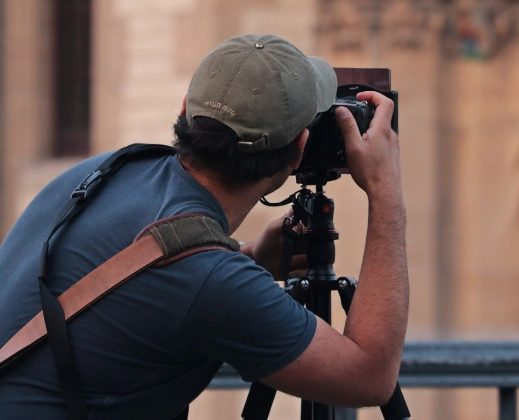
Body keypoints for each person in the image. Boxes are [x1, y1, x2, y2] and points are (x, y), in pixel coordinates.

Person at [0, 34, 408, 419]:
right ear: (299, 149)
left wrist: (248, 258)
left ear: (184, 111)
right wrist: (384, 191)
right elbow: (370, 377)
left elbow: (156, 288)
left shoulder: (102, 172)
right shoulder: (208, 279)